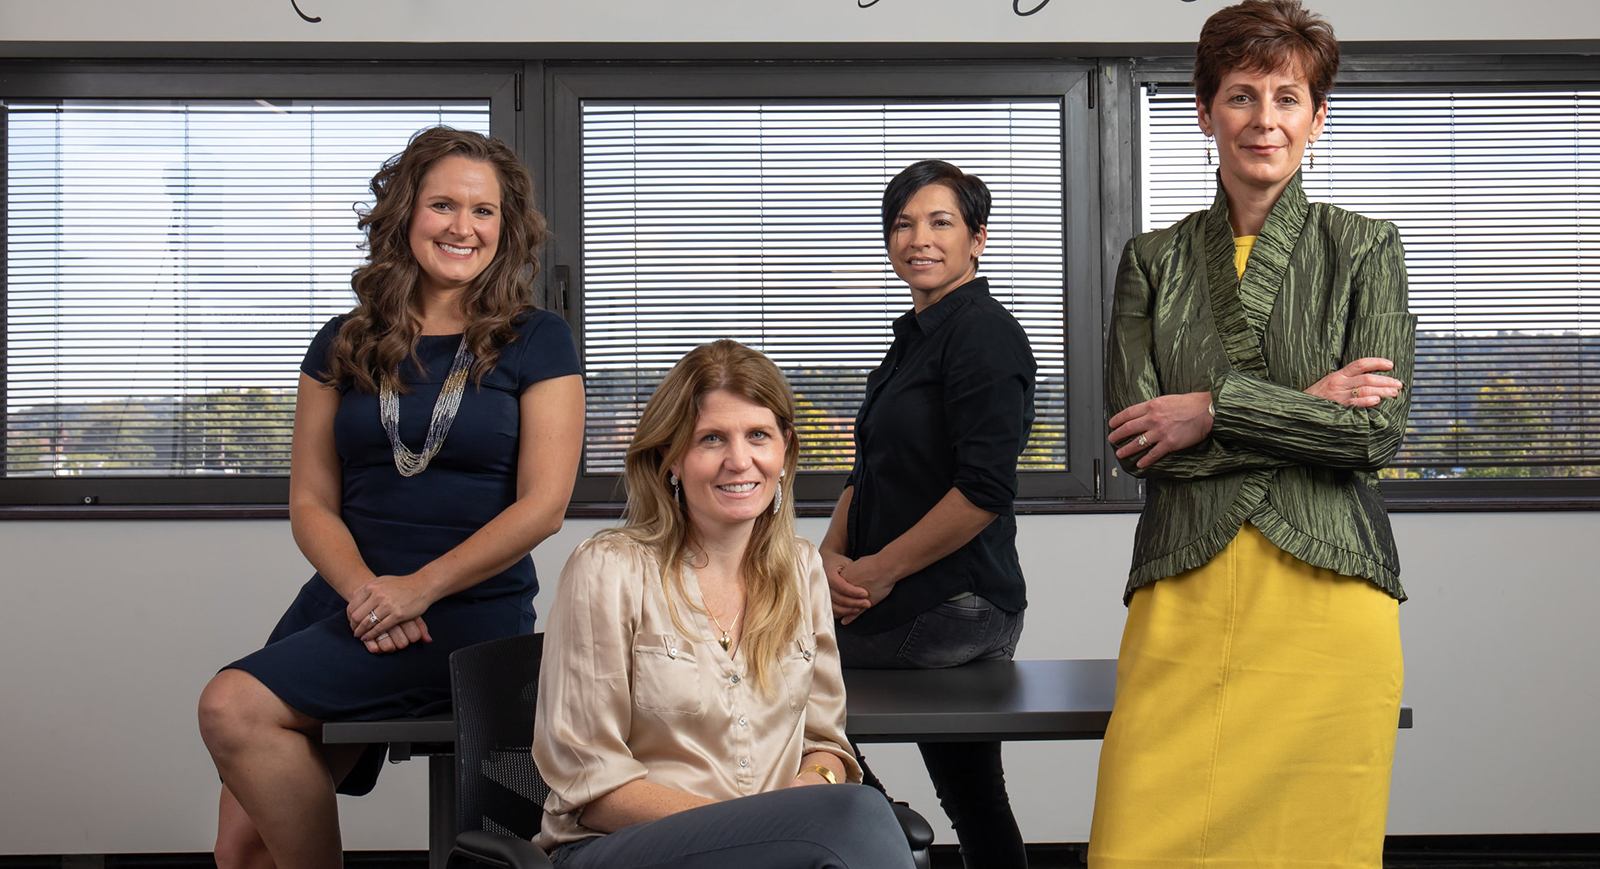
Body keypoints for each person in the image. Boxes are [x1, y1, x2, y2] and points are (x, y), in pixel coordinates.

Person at [196, 126, 585, 869]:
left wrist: (418, 590)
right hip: (351, 600)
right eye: (443, 205)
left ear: (505, 230)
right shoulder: (341, 341)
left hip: (465, 613)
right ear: (406, 215)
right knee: (242, 843)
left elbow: (543, 505)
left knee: (230, 703)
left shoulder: (538, 340)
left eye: (483, 211)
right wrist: (367, 592)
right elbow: (310, 500)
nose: (462, 226)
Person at [1089, 2, 1414, 867]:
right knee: (1135, 844)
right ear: (1205, 112)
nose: (1263, 120)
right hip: (1182, 587)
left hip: (1329, 594)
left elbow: (1375, 435)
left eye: (1287, 96)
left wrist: (1211, 409)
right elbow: (1135, 441)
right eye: (1240, 95)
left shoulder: (1366, 248)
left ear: (1318, 116)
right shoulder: (1151, 262)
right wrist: (1309, 402)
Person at [532, 339, 915, 869]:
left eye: (758, 435)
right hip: (623, 848)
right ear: (671, 460)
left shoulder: (803, 571)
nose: (740, 461)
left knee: (852, 814)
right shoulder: (608, 569)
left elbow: (827, 742)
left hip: (780, 847)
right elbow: (591, 783)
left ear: (785, 452)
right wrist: (754, 828)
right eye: (711, 439)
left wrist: (813, 784)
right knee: (861, 818)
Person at [819, 160, 1037, 869]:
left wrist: (876, 572)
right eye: (903, 224)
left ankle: (884, 835)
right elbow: (872, 468)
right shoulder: (915, 334)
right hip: (910, 591)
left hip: (957, 602)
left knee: (774, 675)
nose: (919, 238)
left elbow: (983, 490)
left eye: (941, 221)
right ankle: (888, 832)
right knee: (974, 798)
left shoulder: (984, 335)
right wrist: (827, 556)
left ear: (978, 238)